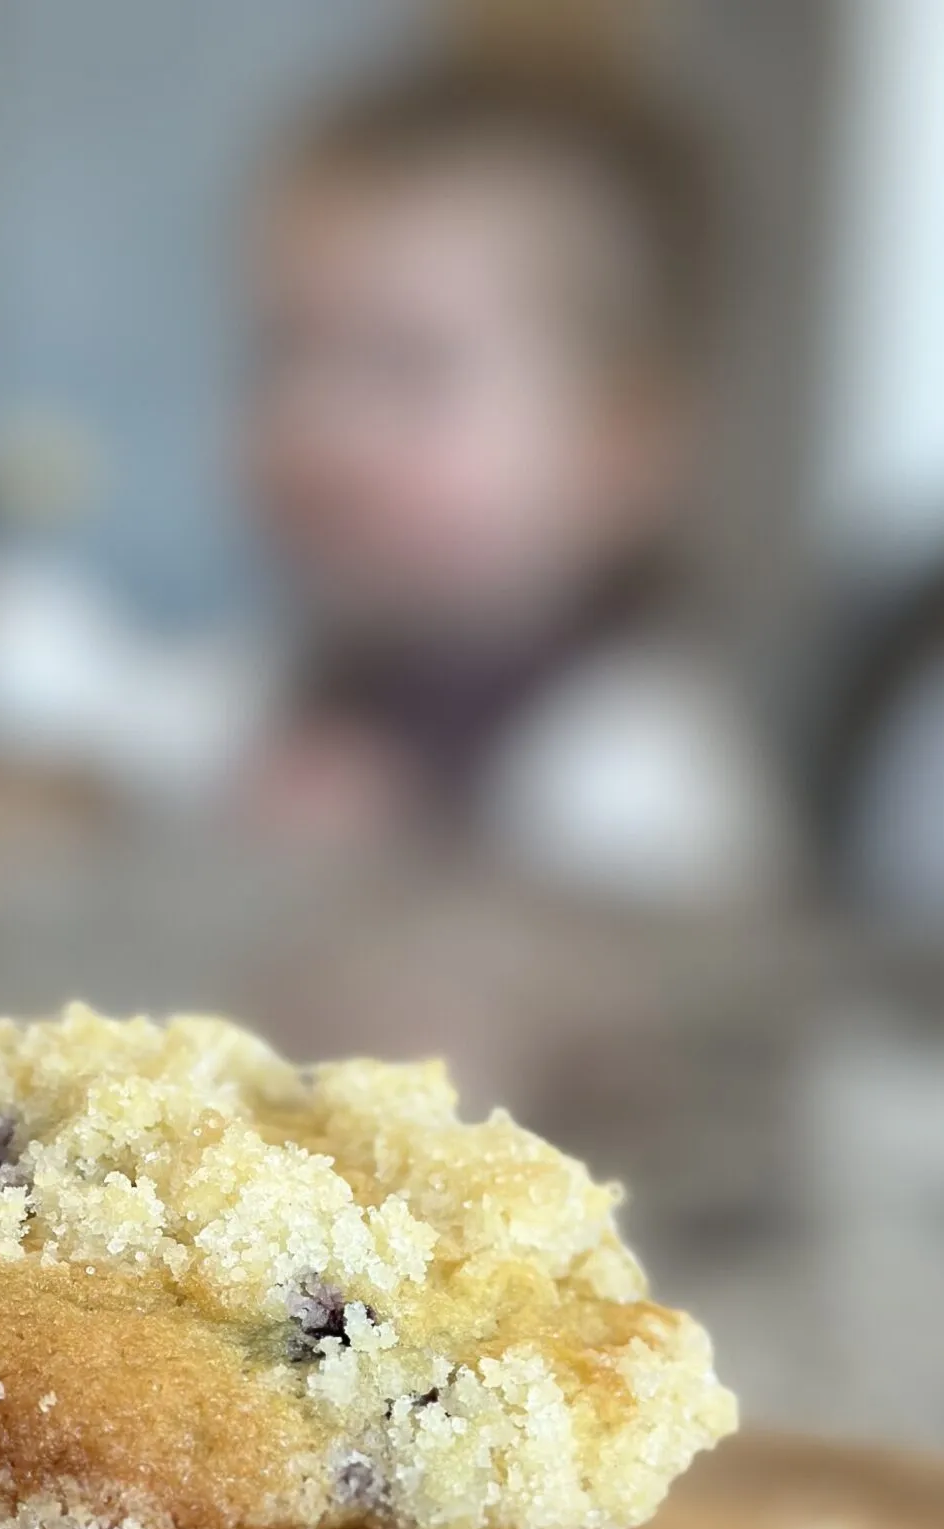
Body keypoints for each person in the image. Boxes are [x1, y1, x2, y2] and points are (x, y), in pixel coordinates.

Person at [242, 53, 792, 898]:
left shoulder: (635, 767)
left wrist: (380, 874)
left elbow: (639, 1010)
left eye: (404, 369)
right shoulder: (310, 676)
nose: (318, 426)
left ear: (619, 441)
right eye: (286, 351)